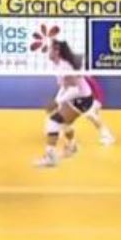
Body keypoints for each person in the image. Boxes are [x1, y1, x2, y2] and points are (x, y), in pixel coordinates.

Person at [34, 40, 94, 168]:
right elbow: (65, 86)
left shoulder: (64, 67)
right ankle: (72, 147)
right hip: (77, 98)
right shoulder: (59, 65)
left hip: (81, 99)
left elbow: (75, 89)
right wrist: (57, 100)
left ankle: (50, 157)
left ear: (57, 51)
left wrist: (57, 102)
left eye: (50, 49)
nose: (48, 52)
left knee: (53, 121)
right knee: (64, 123)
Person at [83, 76, 115, 146]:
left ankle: (107, 136)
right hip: (88, 101)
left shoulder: (87, 77)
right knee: (94, 118)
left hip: (96, 100)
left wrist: (99, 101)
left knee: (90, 114)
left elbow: (97, 89)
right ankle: (106, 135)